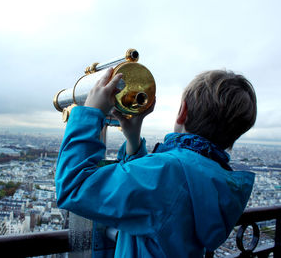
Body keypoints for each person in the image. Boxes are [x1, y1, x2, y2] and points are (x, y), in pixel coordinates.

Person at [55, 67, 257, 257]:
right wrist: (133, 141)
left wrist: (90, 112)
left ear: (182, 112)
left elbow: (74, 187)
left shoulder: (169, 172)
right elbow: (157, 208)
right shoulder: (216, 179)